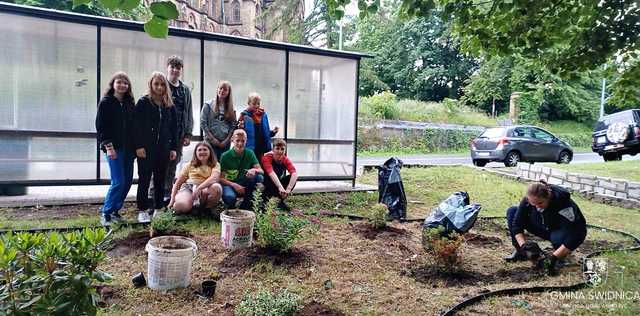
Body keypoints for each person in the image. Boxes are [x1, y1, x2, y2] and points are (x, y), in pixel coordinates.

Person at [504, 180, 587, 274]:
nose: (537, 207)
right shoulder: (529, 199)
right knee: (512, 211)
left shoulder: (564, 205)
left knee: (558, 239)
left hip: (560, 230)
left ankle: (561, 257)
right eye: (533, 204)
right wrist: (524, 246)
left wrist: (554, 257)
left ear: (549, 197)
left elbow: (577, 234)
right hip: (542, 226)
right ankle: (521, 253)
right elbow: (517, 225)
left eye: (540, 203)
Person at [134, 72, 178, 222]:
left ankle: (158, 208)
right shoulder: (143, 102)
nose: (159, 87)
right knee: (144, 179)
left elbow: (174, 129)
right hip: (145, 150)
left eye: (162, 84)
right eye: (156, 84)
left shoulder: (169, 106)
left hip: (163, 150)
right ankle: (143, 209)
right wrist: (138, 146)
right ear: (151, 85)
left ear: (166, 87)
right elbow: (136, 126)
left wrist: (173, 149)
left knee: (160, 180)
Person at [95, 71, 136, 225]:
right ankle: (106, 212)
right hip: (114, 148)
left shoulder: (129, 103)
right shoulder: (106, 102)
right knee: (118, 181)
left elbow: (134, 127)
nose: (122, 85)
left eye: (125, 83)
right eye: (119, 82)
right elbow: (101, 127)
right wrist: (109, 146)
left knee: (127, 182)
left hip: (129, 149)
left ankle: (115, 210)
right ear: (113, 84)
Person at [164, 55, 193, 202]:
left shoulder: (184, 90)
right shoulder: (161, 85)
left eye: (178, 67)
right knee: (158, 166)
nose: (175, 70)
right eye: (172, 67)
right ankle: (152, 197)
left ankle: (167, 196)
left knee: (172, 167)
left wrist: (188, 134)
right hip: (161, 136)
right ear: (167, 68)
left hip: (179, 136)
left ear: (181, 70)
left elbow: (188, 112)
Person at [168, 142, 222, 214]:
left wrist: (199, 188)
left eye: (205, 149)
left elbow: (214, 178)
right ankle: (192, 205)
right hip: (189, 188)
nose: (202, 152)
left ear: (210, 152)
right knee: (179, 206)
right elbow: (177, 183)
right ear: (195, 153)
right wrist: (171, 201)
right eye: (199, 150)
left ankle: (207, 208)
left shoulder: (215, 164)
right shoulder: (189, 165)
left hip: (206, 188)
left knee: (217, 188)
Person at [219, 129, 264, 210]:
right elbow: (221, 178)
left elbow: (261, 171)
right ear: (232, 140)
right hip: (230, 184)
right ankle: (232, 204)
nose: (240, 144)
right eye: (237, 140)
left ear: (246, 141)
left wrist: (254, 170)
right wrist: (234, 185)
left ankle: (246, 203)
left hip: (244, 182)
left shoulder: (249, 153)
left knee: (259, 177)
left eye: (243, 141)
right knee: (230, 197)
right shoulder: (225, 156)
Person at [238, 92, 279, 162]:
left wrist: (273, 132)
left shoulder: (262, 115)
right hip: (249, 147)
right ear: (249, 103)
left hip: (261, 147)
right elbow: (237, 132)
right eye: (254, 104)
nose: (256, 106)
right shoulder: (244, 115)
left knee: (259, 164)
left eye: (258, 103)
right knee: (249, 163)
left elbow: (265, 132)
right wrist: (240, 127)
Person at [201, 81, 237, 160]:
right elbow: (203, 123)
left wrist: (226, 140)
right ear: (217, 89)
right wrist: (213, 139)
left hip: (225, 144)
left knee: (222, 167)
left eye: (225, 90)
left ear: (228, 92)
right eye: (220, 88)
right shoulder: (208, 105)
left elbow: (233, 126)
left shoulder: (231, 109)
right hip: (210, 142)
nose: (222, 91)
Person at [261, 139, 298, 211]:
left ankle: (279, 199)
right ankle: (278, 201)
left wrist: (288, 189)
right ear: (273, 149)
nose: (280, 151)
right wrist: (280, 187)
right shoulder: (266, 158)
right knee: (269, 179)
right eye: (277, 149)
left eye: (282, 149)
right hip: (267, 181)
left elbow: (294, 174)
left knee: (290, 178)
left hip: (277, 182)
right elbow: (271, 173)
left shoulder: (285, 159)